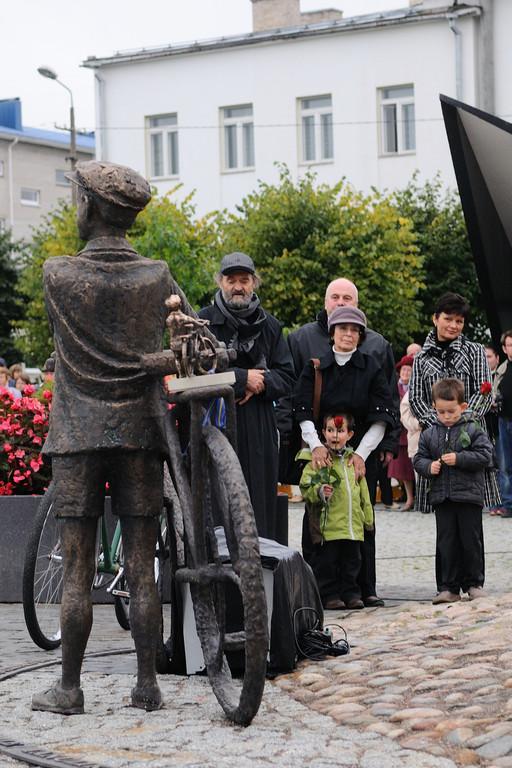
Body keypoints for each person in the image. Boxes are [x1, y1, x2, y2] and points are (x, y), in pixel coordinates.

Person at [31, 159, 198, 716]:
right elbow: (187, 339)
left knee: (78, 565)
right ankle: (146, 683)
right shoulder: (157, 274)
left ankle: (70, 688)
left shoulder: (58, 273)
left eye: (76, 196)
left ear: (91, 207)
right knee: (141, 559)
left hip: (78, 433)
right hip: (140, 431)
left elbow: (77, 344)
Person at [281, 277, 399, 607]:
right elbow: (300, 407)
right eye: (341, 328)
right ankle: (322, 589)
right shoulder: (315, 364)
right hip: (320, 447)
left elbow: (383, 413)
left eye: (354, 329)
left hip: (362, 449)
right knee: (319, 518)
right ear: (331, 330)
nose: (348, 334)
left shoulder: (372, 364)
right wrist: (316, 445)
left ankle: (360, 588)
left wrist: (361, 454)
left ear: (361, 334)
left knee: (361, 517)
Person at [198, 252, 294, 540]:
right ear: (220, 282)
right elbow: (193, 373)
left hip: (259, 427)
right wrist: (241, 379)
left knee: (258, 502)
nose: (238, 287)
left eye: (244, 280)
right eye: (231, 280)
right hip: (214, 425)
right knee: (217, 500)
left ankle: (258, 572)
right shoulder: (202, 322)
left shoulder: (271, 326)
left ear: (254, 283)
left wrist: (259, 382)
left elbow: (286, 376)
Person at [409, 292, 498, 514]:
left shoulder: (475, 351)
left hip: (471, 436)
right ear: (435, 318)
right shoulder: (422, 357)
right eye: (448, 319)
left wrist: (461, 420)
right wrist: (439, 422)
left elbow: (485, 392)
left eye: (459, 321)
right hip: (436, 439)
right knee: (444, 517)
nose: (454, 325)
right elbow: (416, 398)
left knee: (470, 518)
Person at [413, 378, 493, 604]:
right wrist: (429, 467)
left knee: (471, 540)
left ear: (463, 407)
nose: (446, 416)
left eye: (451, 411)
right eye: (441, 411)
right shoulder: (429, 433)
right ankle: (448, 587)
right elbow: (419, 459)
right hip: (442, 496)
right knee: (446, 542)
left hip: (469, 496)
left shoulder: (473, 428)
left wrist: (460, 458)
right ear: (434, 408)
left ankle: (474, 583)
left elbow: (486, 455)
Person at [298, 412, 374, 610]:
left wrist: (368, 518)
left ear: (349, 434)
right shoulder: (318, 461)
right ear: (323, 433)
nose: (335, 435)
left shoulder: (353, 461)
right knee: (328, 564)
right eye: (330, 430)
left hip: (352, 526)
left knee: (352, 563)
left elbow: (363, 492)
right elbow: (306, 486)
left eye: (340, 431)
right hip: (329, 526)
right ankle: (330, 595)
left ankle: (351, 593)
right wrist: (320, 491)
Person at [387, 355, 415, 510]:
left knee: (416, 467)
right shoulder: (394, 387)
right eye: (403, 369)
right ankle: (409, 499)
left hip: (413, 429)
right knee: (403, 469)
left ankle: (420, 498)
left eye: (409, 370)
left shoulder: (416, 388)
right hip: (399, 431)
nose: (405, 372)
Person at [492, 330, 512, 518]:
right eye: (510, 345)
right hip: (503, 420)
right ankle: (508, 503)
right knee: (505, 463)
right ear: (505, 349)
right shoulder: (502, 370)